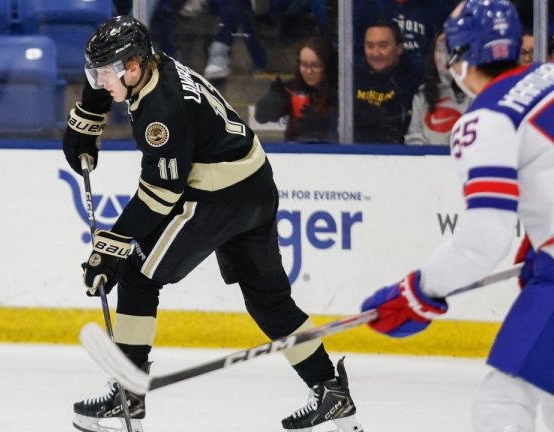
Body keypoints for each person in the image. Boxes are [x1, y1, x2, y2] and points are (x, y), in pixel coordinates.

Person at [62, 15, 364, 432]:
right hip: (254, 184)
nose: (99, 81)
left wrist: (111, 247)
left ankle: (127, 396)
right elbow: (107, 83)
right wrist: (87, 117)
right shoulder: (153, 62)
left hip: (218, 198)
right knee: (268, 299)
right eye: (93, 73)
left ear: (133, 68)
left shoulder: (161, 113)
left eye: (105, 74)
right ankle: (329, 389)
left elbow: (160, 195)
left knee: (136, 272)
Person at [360, 1, 554, 431]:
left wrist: (418, 292)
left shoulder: (487, 118)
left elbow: (485, 236)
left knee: (504, 402)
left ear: (459, 57)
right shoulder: (549, 74)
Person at [255, 35, 338, 142]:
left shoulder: (340, 92)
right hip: (294, 152)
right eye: (304, 65)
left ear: (327, 65)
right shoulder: (293, 88)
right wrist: (275, 96)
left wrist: (322, 123)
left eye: (315, 65)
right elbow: (261, 117)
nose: (308, 71)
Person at [354, 19, 420, 143]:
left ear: (399, 48)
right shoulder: (352, 77)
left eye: (383, 46)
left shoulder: (415, 81)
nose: (375, 53)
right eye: (370, 46)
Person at [405, 32, 471, 145]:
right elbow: (414, 136)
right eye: (439, 49)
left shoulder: (473, 91)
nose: (444, 56)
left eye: (450, 49)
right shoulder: (422, 94)